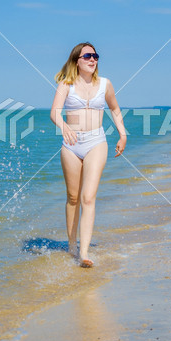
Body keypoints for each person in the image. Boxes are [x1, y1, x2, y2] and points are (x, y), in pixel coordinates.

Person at [50, 42, 127, 268]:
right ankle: (71, 246)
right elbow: (54, 112)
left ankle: (83, 253)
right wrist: (64, 127)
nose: (93, 59)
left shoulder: (105, 84)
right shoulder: (66, 84)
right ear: (77, 60)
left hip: (96, 142)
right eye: (87, 56)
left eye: (95, 56)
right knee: (73, 197)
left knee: (88, 197)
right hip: (71, 145)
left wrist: (122, 135)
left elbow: (114, 109)